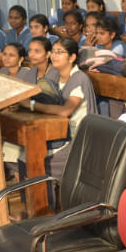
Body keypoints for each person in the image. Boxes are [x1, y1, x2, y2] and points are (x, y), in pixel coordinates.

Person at [28, 37, 98, 179]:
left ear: (72, 57)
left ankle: (51, 200)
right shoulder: (53, 74)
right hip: (57, 131)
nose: (54, 56)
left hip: (77, 137)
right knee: (27, 154)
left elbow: (66, 111)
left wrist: (32, 105)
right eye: (53, 52)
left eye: (59, 52)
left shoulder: (79, 78)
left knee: (40, 163)